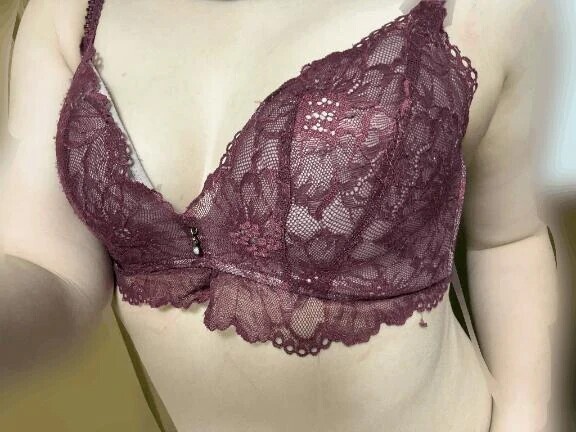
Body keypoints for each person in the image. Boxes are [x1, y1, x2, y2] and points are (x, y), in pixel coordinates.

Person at [0, 0, 560, 431]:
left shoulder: (492, 9)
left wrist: (525, 423)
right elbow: (44, 264)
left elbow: (507, 240)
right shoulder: (67, 12)